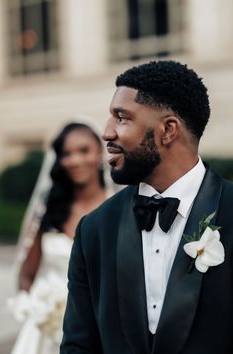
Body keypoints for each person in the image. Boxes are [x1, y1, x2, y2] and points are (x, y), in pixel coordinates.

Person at [60, 60, 233, 354]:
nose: (107, 132)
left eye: (122, 118)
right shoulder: (94, 229)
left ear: (168, 130)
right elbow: (78, 345)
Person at [10, 122, 108, 354]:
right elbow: (27, 273)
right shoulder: (48, 210)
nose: (75, 160)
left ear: (99, 153)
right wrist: (34, 304)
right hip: (46, 330)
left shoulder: (116, 209)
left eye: (84, 150)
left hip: (100, 328)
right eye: (66, 153)